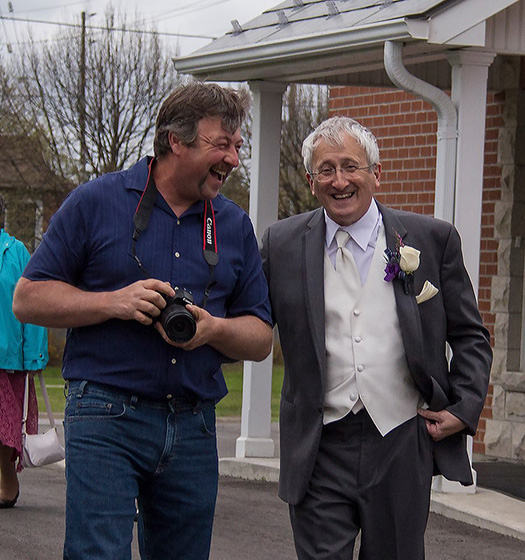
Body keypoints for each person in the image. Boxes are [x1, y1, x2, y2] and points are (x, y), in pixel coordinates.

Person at [13, 82, 273, 559]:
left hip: (194, 425)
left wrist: (213, 329)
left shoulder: (234, 225)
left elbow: (260, 338)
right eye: (222, 144)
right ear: (176, 141)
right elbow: (27, 298)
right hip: (105, 415)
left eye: (238, 146)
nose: (234, 159)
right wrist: (115, 302)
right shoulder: (97, 201)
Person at [260, 116, 492, 560]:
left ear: (376, 173)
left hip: (402, 438)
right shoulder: (281, 243)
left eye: (351, 166)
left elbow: (470, 334)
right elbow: (252, 321)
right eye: (326, 170)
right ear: (311, 181)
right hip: (318, 443)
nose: (339, 181)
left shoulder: (431, 239)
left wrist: (463, 408)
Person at [0, 195, 48, 508]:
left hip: (8, 359)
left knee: (4, 427)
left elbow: (34, 304)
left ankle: (7, 482)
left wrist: (34, 356)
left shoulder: (16, 252)